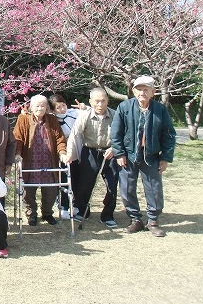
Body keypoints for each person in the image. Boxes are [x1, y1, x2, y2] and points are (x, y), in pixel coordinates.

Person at [111, 76, 176, 237]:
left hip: (151, 156)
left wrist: (165, 157)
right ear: (134, 91)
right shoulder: (124, 107)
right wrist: (119, 153)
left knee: (154, 189)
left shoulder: (160, 109)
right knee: (127, 189)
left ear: (153, 92)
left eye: (146, 89)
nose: (142, 92)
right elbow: (115, 133)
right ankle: (136, 220)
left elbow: (169, 135)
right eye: (139, 89)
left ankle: (153, 221)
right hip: (128, 155)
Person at [66, 88, 120, 228]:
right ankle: (83, 210)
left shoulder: (115, 115)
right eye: (96, 101)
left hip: (110, 152)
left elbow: (123, 135)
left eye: (103, 101)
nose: (100, 105)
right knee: (85, 184)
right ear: (90, 101)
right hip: (90, 151)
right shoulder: (85, 115)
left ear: (107, 100)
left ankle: (107, 215)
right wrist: (70, 154)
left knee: (112, 185)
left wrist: (114, 148)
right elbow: (74, 135)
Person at [13, 94, 68, 226]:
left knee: (51, 191)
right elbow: (18, 138)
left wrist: (62, 152)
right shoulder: (23, 119)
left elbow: (60, 138)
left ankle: (47, 213)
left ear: (47, 107)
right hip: (30, 161)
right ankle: (31, 213)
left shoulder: (52, 120)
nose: (40, 108)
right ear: (31, 107)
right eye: (37, 105)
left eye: (43, 105)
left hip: (49, 161)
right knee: (28, 191)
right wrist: (17, 154)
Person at [49, 94, 83, 219]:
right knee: (63, 179)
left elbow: (90, 112)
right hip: (61, 153)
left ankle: (75, 204)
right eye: (58, 107)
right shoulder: (50, 119)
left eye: (63, 105)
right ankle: (63, 205)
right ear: (53, 110)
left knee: (76, 178)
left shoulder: (73, 113)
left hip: (76, 150)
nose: (62, 109)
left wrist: (84, 108)